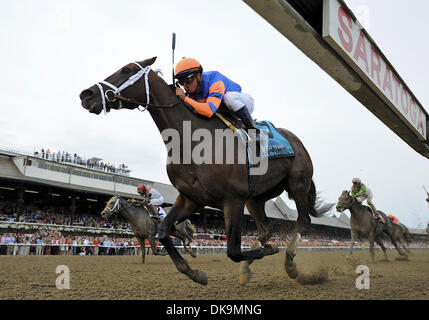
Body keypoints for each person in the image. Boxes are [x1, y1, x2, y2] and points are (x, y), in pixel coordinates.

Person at [174, 57, 260, 140]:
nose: (185, 85)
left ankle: (254, 131)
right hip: (225, 111)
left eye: (188, 80)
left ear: (199, 76)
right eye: (182, 82)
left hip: (244, 102)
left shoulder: (216, 82)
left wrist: (185, 99)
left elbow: (209, 111)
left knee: (228, 97)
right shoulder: (191, 95)